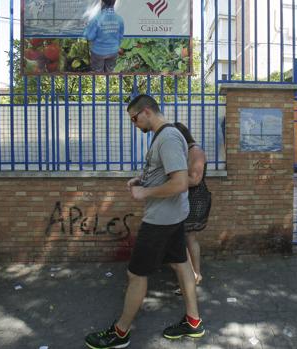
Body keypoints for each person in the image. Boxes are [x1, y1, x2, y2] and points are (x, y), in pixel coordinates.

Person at [84, 95, 204, 349]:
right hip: (172, 217)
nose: (134, 124)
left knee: (135, 274)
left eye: (134, 118)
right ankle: (193, 322)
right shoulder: (164, 136)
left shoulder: (168, 137)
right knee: (182, 265)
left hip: (160, 221)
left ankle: (120, 333)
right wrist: (142, 179)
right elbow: (165, 171)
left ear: (146, 111)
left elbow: (181, 182)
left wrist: (145, 193)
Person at [172, 122, 211, 295]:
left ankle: (192, 277)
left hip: (195, 199)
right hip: (187, 197)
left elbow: (195, 179)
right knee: (187, 238)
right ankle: (194, 275)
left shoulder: (196, 152)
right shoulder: (187, 151)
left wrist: (169, 180)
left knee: (186, 237)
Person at [83, 0, 124, 73]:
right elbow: (120, 37)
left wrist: (87, 27)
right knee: (110, 72)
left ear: (102, 3)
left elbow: (89, 37)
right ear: (114, 3)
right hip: (113, 51)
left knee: (98, 73)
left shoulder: (96, 19)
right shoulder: (119, 19)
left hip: (98, 52)